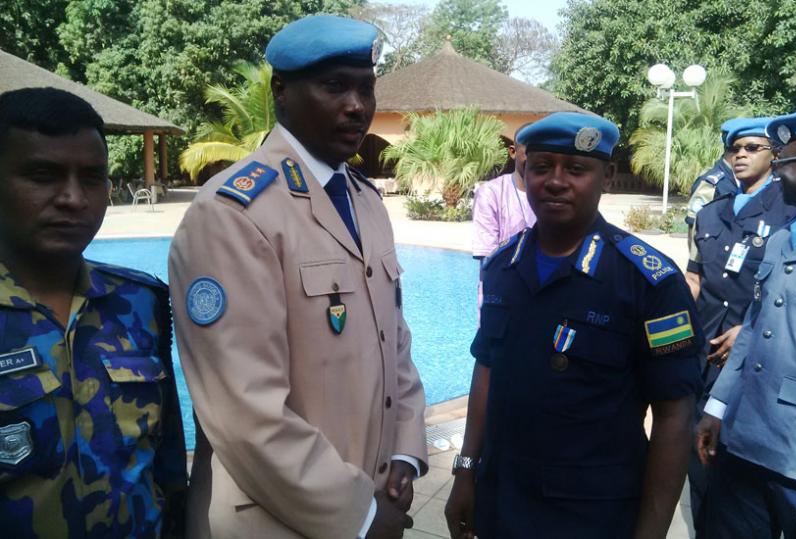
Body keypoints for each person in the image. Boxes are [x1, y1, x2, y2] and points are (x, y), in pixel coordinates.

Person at [168, 15, 428, 539]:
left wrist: (405, 449)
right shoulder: (233, 214)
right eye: (334, 86)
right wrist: (359, 515)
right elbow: (244, 409)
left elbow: (394, 343)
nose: (356, 105)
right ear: (281, 92)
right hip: (275, 520)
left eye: (365, 88)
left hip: (371, 493)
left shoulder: (366, 201)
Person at [444, 112, 703, 538]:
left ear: (607, 177)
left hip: (591, 514)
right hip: (501, 500)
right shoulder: (502, 268)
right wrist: (466, 470)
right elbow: (486, 367)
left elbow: (674, 415)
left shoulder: (648, 283)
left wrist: (651, 532)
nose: (556, 181)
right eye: (541, 167)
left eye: (576, 169)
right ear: (524, 173)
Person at [0, 87, 187, 537]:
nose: (73, 197)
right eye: (42, 175)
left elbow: (167, 464)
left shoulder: (140, 300)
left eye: (91, 177)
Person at [695, 106, 796, 538]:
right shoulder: (785, 236)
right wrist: (717, 408)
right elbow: (753, 328)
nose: (776, 173)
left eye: (782, 161)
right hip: (746, 441)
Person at [471, 123, 536, 261]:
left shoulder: (552, 193)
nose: (535, 159)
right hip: (503, 272)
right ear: (513, 152)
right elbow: (488, 258)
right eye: (529, 151)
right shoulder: (491, 193)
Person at [684, 119, 740, 266]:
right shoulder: (711, 184)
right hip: (715, 265)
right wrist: (697, 269)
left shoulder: (744, 180)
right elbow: (695, 232)